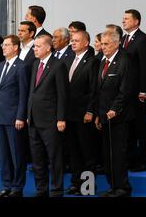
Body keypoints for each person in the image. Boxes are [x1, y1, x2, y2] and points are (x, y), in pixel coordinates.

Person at [27, 35, 68, 197]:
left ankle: (57, 189)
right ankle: (41, 189)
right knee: (37, 158)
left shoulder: (58, 65)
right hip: (34, 119)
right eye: (34, 46)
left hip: (51, 120)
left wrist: (60, 118)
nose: (34, 49)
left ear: (47, 47)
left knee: (54, 157)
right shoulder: (35, 64)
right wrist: (28, 114)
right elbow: (32, 91)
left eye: (37, 46)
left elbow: (62, 94)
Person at [0, 35, 29, 197]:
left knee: (16, 154)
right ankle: (6, 185)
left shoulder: (22, 66)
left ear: (15, 47)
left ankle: (17, 187)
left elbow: (23, 94)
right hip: (0, 117)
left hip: (14, 118)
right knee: (4, 155)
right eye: (2, 45)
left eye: (6, 45)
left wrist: (20, 116)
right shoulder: (0, 66)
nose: (3, 47)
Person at [97, 30, 133, 197]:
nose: (103, 47)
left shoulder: (124, 61)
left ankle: (122, 188)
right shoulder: (103, 61)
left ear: (117, 43)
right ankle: (112, 186)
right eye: (102, 44)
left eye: (107, 44)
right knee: (107, 154)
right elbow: (99, 91)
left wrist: (114, 109)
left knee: (118, 154)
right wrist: (99, 114)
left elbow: (125, 90)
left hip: (118, 117)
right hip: (104, 117)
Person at [65, 31, 99, 195]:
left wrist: (90, 111)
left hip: (84, 114)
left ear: (86, 43)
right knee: (73, 151)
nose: (73, 43)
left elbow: (94, 89)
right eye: (72, 41)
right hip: (69, 113)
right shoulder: (69, 58)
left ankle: (88, 186)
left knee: (87, 151)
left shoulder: (92, 62)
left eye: (77, 41)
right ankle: (75, 183)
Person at [121, 9, 146, 172]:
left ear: (136, 21)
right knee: (129, 126)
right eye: (123, 18)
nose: (123, 21)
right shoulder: (124, 38)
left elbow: (145, 67)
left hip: (137, 92)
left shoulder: (142, 39)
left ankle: (141, 161)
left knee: (140, 126)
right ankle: (130, 158)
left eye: (126, 19)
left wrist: (142, 90)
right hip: (125, 91)